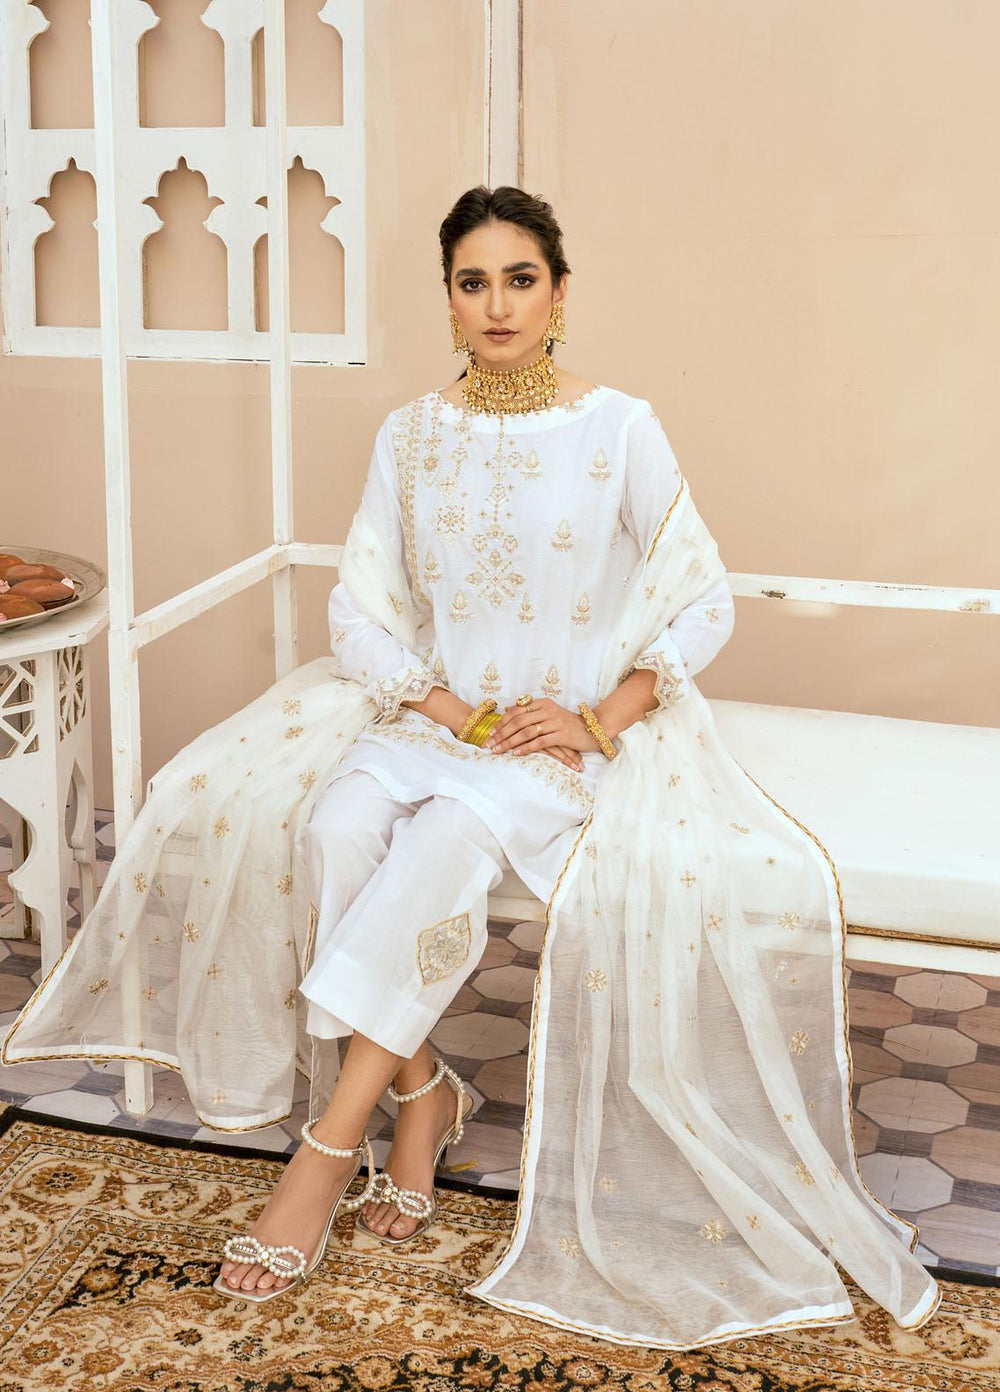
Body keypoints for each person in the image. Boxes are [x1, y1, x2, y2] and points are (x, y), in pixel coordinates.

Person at [2, 185, 941, 1349]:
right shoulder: (410, 435)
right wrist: (441, 705)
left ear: (558, 291)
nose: (497, 304)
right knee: (335, 828)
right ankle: (422, 1088)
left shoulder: (619, 429)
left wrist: (600, 717)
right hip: (438, 718)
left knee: (442, 844)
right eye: (472, 281)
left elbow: (699, 597)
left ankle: (325, 1151)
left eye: (519, 279)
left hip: (555, 739)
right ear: (447, 299)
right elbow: (358, 609)